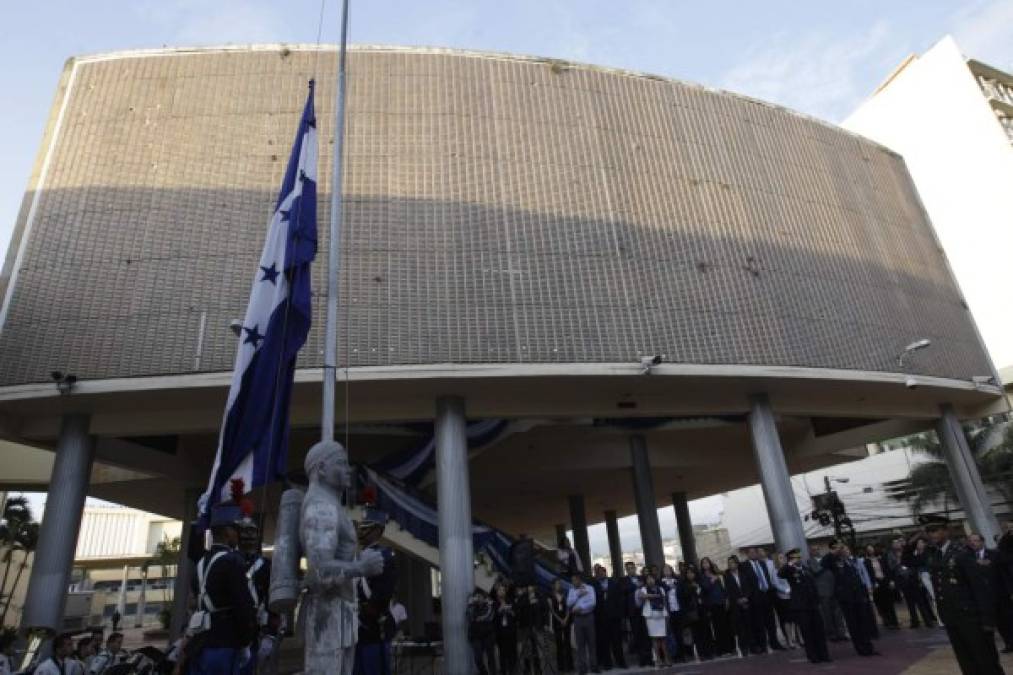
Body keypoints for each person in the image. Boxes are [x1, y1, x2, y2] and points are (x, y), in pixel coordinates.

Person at [186, 500, 257, 675]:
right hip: (225, 644)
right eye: (236, 530)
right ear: (227, 532)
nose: (238, 535)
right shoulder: (232, 561)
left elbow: (194, 600)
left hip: (201, 643)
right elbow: (243, 605)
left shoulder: (200, 563)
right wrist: (245, 642)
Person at [925, 521, 1004, 675]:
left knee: (985, 660)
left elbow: (979, 587)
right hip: (952, 616)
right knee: (966, 661)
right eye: (928, 531)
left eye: (935, 530)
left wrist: (987, 619)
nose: (931, 534)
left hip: (971, 616)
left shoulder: (962, 552)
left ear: (946, 531)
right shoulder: (936, 554)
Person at [354, 506, 399, 675]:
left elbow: (382, 594)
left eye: (368, 528)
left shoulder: (385, 556)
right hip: (356, 631)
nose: (362, 532)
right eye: (362, 527)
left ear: (379, 530)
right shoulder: (357, 557)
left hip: (373, 629)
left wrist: (367, 610)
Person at [821, 539, 877, 657]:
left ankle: (868, 646)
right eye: (842, 549)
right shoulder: (833, 562)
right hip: (846, 597)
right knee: (853, 623)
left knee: (863, 621)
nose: (845, 550)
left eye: (846, 549)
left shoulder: (851, 562)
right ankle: (861, 648)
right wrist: (835, 551)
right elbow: (823, 563)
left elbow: (857, 578)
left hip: (858, 595)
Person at [778, 548, 831, 664]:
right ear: (791, 559)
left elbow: (813, 585)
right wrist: (789, 563)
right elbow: (780, 574)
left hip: (813, 604)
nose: (799, 559)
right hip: (801, 606)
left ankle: (824, 654)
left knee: (819, 630)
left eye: (799, 556)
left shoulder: (806, 569)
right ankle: (813, 656)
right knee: (807, 631)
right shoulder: (790, 571)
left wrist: (817, 600)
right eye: (795, 557)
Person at [886, 536, 936, 629]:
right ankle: (915, 621)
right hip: (902, 579)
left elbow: (915, 562)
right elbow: (891, 567)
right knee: (909, 603)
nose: (898, 543)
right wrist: (898, 563)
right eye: (896, 542)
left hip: (913, 578)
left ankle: (928, 621)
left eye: (900, 542)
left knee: (920, 601)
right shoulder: (890, 554)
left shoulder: (909, 551)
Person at [740, 547, 783, 653]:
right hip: (755, 596)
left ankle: (775, 643)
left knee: (771, 621)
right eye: (752, 553)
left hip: (767, 594)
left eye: (755, 552)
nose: (754, 554)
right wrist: (749, 596)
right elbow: (744, 582)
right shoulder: (744, 566)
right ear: (748, 554)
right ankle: (762, 645)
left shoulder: (762, 563)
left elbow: (766, 577)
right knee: (759, 622)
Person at [592, 565, 626, 670]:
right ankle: (607, 663)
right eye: (598, 573)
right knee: (604, 642)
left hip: (614, 617)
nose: (601, 574)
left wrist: (620, 614)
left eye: (602, 572)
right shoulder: (594, 585)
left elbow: (619, 599)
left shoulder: (614, 583)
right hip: (601, 618)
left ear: (605, 573)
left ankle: (621, 662)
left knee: (617, 641)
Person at [699, 557, 732, 657]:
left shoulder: (716, 574)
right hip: (712, 604)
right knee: (717, 627)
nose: (705, 564)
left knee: (725, 626)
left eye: (707, 562)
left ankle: (728, 648)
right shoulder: (702, 577)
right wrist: (711, 581)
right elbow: (705, 589)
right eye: (703, 563)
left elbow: (722, 588)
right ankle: (721, 650)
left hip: (721, 602)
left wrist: (726, 598)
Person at [679, 566, 714, 661]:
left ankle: (709, 652)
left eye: (692, 573)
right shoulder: (684, 585)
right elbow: (684, 597)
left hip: (703, 609)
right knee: (696, 633)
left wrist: (698, 586)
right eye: (688, 573)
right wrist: (692, 588)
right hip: (693, 612)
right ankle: (701, 653)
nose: (690, 575)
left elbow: (706, 592)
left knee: (706, 631)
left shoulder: (700, 582)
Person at [566, 574, 598, 675]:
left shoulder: (590, 588)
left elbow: (592, 602)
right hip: (577, 619)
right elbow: (568, 603)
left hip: (588, 617)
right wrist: (577, 595)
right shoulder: (571, 591)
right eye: (572, 580)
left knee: (591, 642)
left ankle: (594, 666)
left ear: (579, 580)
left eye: (574, 580)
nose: (573, 582)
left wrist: (581, 607)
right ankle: (582, 668)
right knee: (580, 644)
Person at [620, 561, 650, 667]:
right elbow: (624, 590)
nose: (631, 570)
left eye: (632, 568)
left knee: (646, 634)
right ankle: (641, 658)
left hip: (645, 609)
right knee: (637, 635)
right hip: (633, 612)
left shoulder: (641, 578)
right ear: (626, 570)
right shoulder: (624, 580)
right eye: (629, 568)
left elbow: (647, 587)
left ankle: (649, 658)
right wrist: (635, 586)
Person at [636, 575, 670, 667]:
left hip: (661, 615)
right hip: (650, 616)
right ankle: (658, 660)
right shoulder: (643, 589)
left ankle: (666, 659)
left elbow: (664, 599)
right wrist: (655, 595)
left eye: (652, 578)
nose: (650, 580)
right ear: (646, 581)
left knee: (663, 638)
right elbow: (642, 596)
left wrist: (667, 614)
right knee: (654, 638)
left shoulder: (661, 588)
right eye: (648, 579)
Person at [863, 544, 899, 630]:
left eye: (872, 548)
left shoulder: (880, 558)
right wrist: (873, 582)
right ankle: (887, 621)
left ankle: (894, 622)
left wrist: (891, 580)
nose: (871, 550)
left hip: (884, 581)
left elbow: (887, 569)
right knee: (881, 603)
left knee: (890, 602)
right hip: (876, 583)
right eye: (869, 549)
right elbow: (868, 573)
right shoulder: (866, 561)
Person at [723, 555, 753, 657]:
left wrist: (746, 597)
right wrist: (737, 600)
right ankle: (743, 648)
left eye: (732, 562)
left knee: (748, 625)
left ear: (736, 563)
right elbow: (728, 591)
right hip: (735, 605)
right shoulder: (727, 577)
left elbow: (749, 587)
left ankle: (751, 646)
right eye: (729, 563)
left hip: (746, 602)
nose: (731, 565)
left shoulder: (743, 574)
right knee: (739, 628)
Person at [517, 584, 549, 675]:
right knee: (527, 649)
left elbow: (545, 609)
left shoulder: (540, 595)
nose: (530, 588)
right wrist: (529, 602)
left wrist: (546, 623)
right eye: (528, 586)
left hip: (537, 626)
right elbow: (519, 608)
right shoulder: (523, 597)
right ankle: (527, 670)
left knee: (538, 650)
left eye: (532, 586)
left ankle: (538, 669)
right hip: (526, 627)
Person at [769, 552, 798, 648]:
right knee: (787, 620)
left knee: (795, 619)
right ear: (777, 560)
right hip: (783, 597)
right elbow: (775, 583)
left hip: (792, 596)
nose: (783, 559)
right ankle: (789, 640)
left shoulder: (790, 568)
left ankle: (798, 638)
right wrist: (787, 590)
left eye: (784, 558)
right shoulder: (775, 570)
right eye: (780, 558)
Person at [468, 588, 497, 675]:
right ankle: (484, 673)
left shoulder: (489, 605)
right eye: (476, 596)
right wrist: (470, 604)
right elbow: (470, 618)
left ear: (484, 597)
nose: (478, 598)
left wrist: (479, 618)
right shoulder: (472, 606)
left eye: (480, 596)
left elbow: (489, 617)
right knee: (478, 658)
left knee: (491, 657)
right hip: (475, 635)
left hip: (488, 634)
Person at [548, 579, 573, 673]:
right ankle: (561, 666)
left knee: (567, 643)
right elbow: (552, 611)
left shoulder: (565, 594)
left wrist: (566, 618)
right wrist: (560, 620)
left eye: (560, 584)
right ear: (553, 585)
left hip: (566, 620)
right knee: (559, 644)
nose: (559, 585)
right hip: (557, 621)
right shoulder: (550, 596)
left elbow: (568, 607)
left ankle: (570, 665)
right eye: (557, 584)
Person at [495, 584, 519, 674]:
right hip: (500, 633)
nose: (501, 592)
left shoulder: (511, 601)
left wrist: (511, 611)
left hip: (511, 631)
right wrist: (500, 609)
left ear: (505, 592)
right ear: (497, 592)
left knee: (512, 653)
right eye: (499, 590)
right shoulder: (495, 603)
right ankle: (503, 671)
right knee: (502, 654)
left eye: (503, 590)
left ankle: (512, 670)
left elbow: (516, 615)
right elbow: (493, 618)